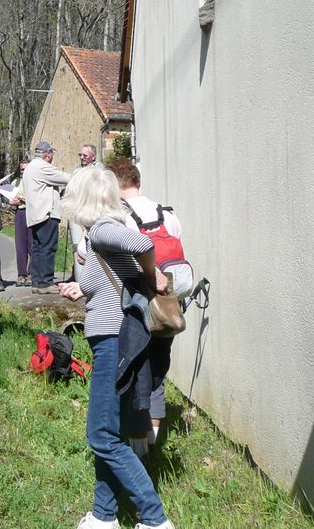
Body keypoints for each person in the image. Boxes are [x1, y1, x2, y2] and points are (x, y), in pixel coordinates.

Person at [57, 167, 174, 529]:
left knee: (101, 435)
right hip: (117, 339)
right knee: (111, 432)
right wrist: (83, 291)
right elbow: (111, 288)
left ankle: (155, 520)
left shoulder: (104, 229)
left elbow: (143, 245)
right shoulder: (100, 235)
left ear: (81, 199)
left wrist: (152, 273)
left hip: (113, 343)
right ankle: (104, 516)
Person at [109, 158, 183, 455]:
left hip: (136, 307)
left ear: (115, 185)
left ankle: (138, 450)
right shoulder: (168, 215)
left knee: (135, 372)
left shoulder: (121, 218)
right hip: (167, 308)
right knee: (157, 373)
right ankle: (153, 441)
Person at [22, 141, 70, 293]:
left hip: (36, 214)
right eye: (52, 153)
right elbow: (64, 178)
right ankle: (45, 282)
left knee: (37, 248)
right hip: (46, 214)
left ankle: (37, 281)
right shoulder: (42, 167)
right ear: (47, 154)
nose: (52, 156)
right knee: (48, 248)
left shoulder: (30, 167)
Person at [69, 143, 104, 281]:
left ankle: (94, 278)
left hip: (93, 212)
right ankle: (80, 278)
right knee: (78, 245)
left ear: (93, 156)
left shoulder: (99, 168)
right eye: (80, 155)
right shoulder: (77, 169)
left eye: (85, 155)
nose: (82, 158)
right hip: (78, 211)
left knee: (92, 245)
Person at [9, 158, 33, 286]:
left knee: (32, 245)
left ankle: (31, 273)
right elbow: (12, 201)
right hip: (20, 213)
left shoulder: (35, 181)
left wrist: (23, 199)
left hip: (33, 213)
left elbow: (35, 199)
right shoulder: (15, 182)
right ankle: (21, 274)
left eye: (26, 169)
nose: (24, 172)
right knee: (20, 245)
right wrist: (24, 200)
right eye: (22, 169)